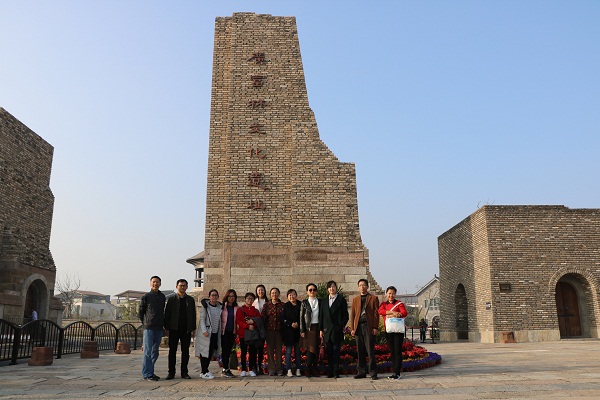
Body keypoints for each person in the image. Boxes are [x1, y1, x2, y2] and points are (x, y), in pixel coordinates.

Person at [163, 279, 196, 380]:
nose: (182, 287)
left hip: (186, 329)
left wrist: (193, 328)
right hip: (174, 329)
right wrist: (167, 328)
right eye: (181, 285)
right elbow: (167, 314)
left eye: (184, 285)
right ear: (176, 286)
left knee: (185, 351)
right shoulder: (171, 299)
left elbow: (193, 315)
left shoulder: (190, 300)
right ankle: (171, 372)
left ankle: (184, 372)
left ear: (187, 287)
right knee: (172, 351)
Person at [349, 278, 380, 380]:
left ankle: (373, 372)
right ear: (358, 287)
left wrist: (375, 327)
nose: (362, 287)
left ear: (367, 286)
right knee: (360, 350)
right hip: (358, 327)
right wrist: (352, 328)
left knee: (370, 351)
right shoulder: (355, 299)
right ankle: (361, 371)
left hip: (368, 327)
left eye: (364, 285)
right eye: (360, 285)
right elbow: (353, 315)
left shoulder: (373, 298)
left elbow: (376, 314)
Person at [139, 275, 166, 381]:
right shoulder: (146, 296)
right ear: (150, 283)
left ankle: (150, 371)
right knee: (147, 352)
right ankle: (147, 374)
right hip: (149, 328)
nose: (155, 284)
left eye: (157, 282)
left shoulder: (162, 296)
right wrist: (145, 323)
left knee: (155, 352)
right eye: (154, 282)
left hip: (159, 327)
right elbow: (141, 312)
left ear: (160, 284)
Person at [320, 280, 349, 378]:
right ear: (327, 289)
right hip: (327, 330)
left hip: (336, 330)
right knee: (329, 352)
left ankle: (336, 371)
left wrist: (340, 325)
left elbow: (345, 315)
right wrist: (321, 329)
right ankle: (330, 371)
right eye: (330, 287)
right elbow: (321, 316)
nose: (331, 288)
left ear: (336, 288)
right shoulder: (324, 301)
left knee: (336, 351)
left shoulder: (341, 300)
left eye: (333, 286)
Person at [378, 286, 408, 380]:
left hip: (398, 331)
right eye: (389, 293)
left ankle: (397, 372)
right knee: (392, 351)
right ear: (386, 294)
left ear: (395, 294)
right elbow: (380, 311)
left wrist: (396, 314)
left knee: (397, 351)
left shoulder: (399, 304)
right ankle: (394, 371)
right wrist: (393, 313)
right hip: (389, 330)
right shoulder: (383, 304)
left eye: (393, 293)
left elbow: (404, 313)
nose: (391, 295)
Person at [195, 289, 222, 380]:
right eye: (212, 295)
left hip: (215, 333)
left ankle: (205, 370)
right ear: (209, 297)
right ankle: (204, 371)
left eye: (215, 295)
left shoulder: (219, 307)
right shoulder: (205, 306)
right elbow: (202, 319)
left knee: (210, 352)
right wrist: (204, 331)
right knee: (204, 352)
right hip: (206, 333)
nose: (214, 297)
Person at [236, 292, 262, 377]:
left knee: (252, 352)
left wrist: (253, 324)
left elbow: (259, 320)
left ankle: (251, 369)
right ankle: (243, 369)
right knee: (243, 352)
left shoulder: (255, 310)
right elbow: (238, 321)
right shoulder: (240, 310)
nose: (249, 300)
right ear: (245, 299)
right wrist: (247, 326)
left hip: (252, 334)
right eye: (248, 298)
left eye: (251, 298)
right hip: (243, 334)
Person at [300, 283, 321, 377]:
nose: (312, 291)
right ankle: (308, 368)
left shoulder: (320, 302)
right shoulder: (304, 303)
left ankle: (315, 368)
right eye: (310, 290)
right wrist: (302, 330)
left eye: (314, 290)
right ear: (307, 292)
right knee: (310, 349)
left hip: (318, 327)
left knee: (316, 348)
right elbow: (301, 317)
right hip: (309, 328)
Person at [261, 287, 284, 376]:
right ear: (270, 295)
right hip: (269, 330)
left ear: (278, 294)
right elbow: (263, 317)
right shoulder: (266, 305)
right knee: (270, 350)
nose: (274, 294)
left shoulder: (282, 305)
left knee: (279, 350)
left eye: (276, 293)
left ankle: (279, 369)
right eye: (273, 293)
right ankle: (271, 369)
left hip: (279, 331)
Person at [281, 289, 301, 377]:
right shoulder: (285, 306)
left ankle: (298, 369)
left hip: (298, 331)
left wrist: (298, 324)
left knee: (297, 351)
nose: (291, 297)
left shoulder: (301, 305)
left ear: (296, 295)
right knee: (288, 351)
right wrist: (290, 324)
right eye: (289, 295)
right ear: (287, 297)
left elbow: (303, 317)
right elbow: (283, 319)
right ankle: (288, 369)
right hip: (288, 332)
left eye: (293, 295)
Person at [220, 289, 239, 378]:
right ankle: (225, 369)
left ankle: (226, 368)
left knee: (229, 350)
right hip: (224, 332)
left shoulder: (236, 307)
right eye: (230, 296)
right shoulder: (222, 306)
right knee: (225, 350)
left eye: (233, 296)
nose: (231, 298)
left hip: (232, 332)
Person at [253, 284, 267, 375]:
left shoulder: (267, 302)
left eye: (262, 290)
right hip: (255, 327)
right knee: (255, 348)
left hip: (264, 327)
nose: (260, 292)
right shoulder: (254, 302)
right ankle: (254, 367)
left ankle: (260, 366)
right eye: (259, 290)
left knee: (261, 348)